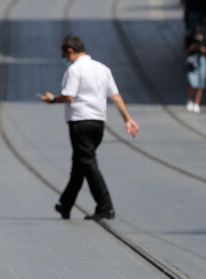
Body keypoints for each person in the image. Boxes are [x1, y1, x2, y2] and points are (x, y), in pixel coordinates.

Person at [41, 36, 139, 221]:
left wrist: (52, 99)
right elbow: (115, 96)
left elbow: (69, 96)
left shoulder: (75, 70)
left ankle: (105, 206)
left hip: (80, 122)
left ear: (70, 51)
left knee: (87, 162)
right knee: (80, 163)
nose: (65, 59)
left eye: (64, 55)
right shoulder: (103, 69)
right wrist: (128, 119)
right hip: (98, 123)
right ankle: (65, 204)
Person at [184, 27, 206, 113]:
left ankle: (196, 103)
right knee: (192, 83)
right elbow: (186, 52)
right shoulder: (190, 40)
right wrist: (192, 47)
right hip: (192, 60)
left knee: (201, 84)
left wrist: (202, 47)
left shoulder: (204, 40)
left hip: (201, 61)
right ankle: (190, 100)